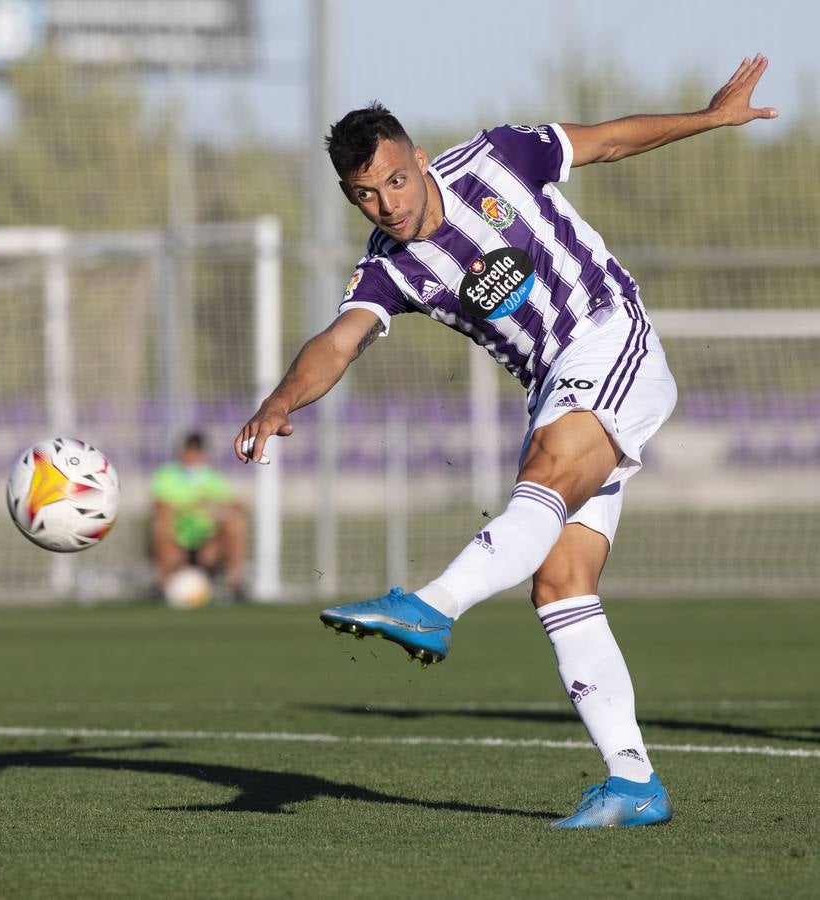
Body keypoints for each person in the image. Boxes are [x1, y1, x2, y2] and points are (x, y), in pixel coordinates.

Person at [236, 56, 776, 829]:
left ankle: (431, 603)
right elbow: (339, 341)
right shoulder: (388, 271)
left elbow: (610, 142)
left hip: (609, 338)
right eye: (365, 194)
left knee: (547, 469)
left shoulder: (498, 158)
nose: (385, 203)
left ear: (418, 159)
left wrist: (708, 116)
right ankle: (633, 783)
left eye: (394, 179)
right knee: (561, 584)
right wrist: (280, 400)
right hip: (551, 389)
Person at [151, 432, 247, 599]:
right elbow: (160, 506)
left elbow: (237, 506)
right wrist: (193, 505)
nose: (193, 456)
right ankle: (163, 584)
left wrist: (214, 508)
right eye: (190, 451)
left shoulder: (213, 477)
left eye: (197, 451)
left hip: (207, 541)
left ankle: (234, 583)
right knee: (161, 523)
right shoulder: (167, 475)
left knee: (234, 523)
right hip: (178, 539)